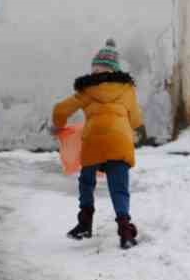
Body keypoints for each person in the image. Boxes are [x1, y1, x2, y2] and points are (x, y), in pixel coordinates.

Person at [52, 39, 144, 248]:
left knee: (87, 181)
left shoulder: (86, 90)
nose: (95, 74)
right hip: (119, 141)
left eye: (96, 70)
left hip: (94, 140)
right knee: (118, 187)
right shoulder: (127, 89)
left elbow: (60, 110)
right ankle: (125, 230)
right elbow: (136, 120)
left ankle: (84, 223)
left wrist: (58, 126)